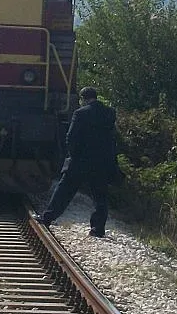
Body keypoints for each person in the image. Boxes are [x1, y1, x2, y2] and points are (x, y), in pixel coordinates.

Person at [35, 86, 118, 237]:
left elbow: (71, 137)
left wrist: (73, 156)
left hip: (79, 161)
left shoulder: (80, 113)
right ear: (96, 97)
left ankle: (47, 218)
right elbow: (112, 139)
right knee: (100, 196)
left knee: (64, 191)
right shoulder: (109, 113)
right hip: (101, 162)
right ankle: (98, 229)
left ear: (82, 99)